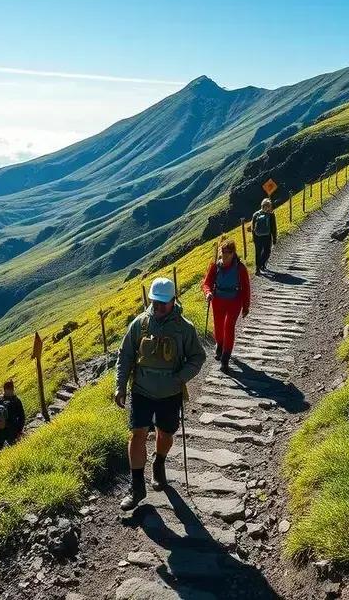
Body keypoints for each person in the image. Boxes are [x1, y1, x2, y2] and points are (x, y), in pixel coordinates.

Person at [113, 277, 207, 510]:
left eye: (163, 303)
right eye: (155, 302)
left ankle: (159, 462)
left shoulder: (185, 329)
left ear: (173, 301)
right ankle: (137, 488)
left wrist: (180, 377)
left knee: (165, 434)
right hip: (142, 390)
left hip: (170, 393)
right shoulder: (140, 324)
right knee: (137, 434)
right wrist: (120, 386)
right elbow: (125, 355)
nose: (158, 307)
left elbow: (198, 357)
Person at [201, 239, 251, 371]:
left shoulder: (240, 268)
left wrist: (246, 306)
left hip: (235, 301)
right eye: (223, 252)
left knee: (228, 326)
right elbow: (207, 283)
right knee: (218, 326)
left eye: (228, 252)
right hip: (218, 300)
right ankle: (220, 345)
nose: (225, 255)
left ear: (233, 253)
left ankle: (225, 358)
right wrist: (208, 293)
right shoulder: (215, 266)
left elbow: (246, 288)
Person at [0, 380, 26, 451]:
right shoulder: (16, 400)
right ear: (13, 389)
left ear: (4, 389)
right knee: (13, 449)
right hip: (12, 429)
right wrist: (19, 430)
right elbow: (22, 417)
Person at [251, 198, 278, 275]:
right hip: (267, 236)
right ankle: (262, 265)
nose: (268, 208)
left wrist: (253, 237)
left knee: (258, 252)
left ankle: (258, 268)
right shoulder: (271, 215)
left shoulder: (256, 214)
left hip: (257, 237)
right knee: (267, 251)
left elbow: (253, 228)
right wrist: (274, 238)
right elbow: (273, 227)